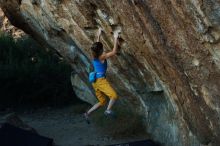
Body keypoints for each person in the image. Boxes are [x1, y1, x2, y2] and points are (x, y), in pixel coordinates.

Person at [84, 28, 119, 124]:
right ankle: (108, 110)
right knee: (114, 96)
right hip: (100, 81)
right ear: (101, 50)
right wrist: (115, 37)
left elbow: (96, 45)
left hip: (95, 82)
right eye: (102, 48)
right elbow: (114, 52)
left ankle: (87, 113)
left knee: (102, 101)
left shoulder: (94, 54)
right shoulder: (101, 57)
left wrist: (99, 35)